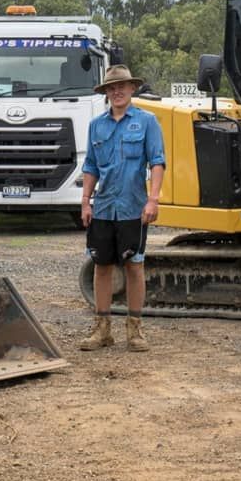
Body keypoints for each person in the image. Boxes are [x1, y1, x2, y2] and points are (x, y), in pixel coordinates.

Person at [78, 64, 166, 352]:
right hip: (103, 208)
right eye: (111, 88)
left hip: (133, 208)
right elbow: (90, 166)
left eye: (121, 86)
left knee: (134, 266)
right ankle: (103, 330)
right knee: (101, 266)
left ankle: (135, 330)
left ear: (132, 89)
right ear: (106, 92)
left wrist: (152, 199)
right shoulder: (96, 126)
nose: (116, 91)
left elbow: (157, 162)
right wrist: (85, 202)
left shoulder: (147, 122)